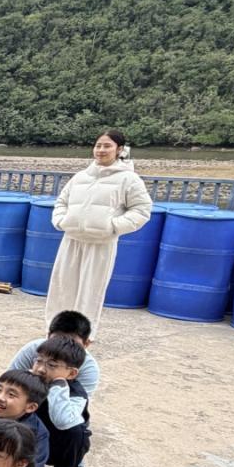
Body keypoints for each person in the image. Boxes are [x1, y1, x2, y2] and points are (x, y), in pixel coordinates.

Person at [45, 129, 153, 336]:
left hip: (101, 244)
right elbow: (61, 202)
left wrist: (112, 226)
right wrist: (61, 221)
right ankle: (54, 330)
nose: (101, 150)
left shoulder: (129, 179)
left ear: (119, 150)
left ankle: (83, 336)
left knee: (90, 291)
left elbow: (141, 210)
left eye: (107, 146)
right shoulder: (80, 177)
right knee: (61, 287)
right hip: (72, 239)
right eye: (98, 145)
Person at [30, 336, 92, 467]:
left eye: (51, 365)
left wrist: (57, 386)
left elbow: (62, 421)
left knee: (77, 431)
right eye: (39, 361)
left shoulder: (77, 394)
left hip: (58, 442)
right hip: (33, 438)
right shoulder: (31, 380)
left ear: (71, 373)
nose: (41, 369)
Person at [0, 310, 100, 400]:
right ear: (48, 336)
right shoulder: (33, 349)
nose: (62, 347)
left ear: (86, 344)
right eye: (39, 361)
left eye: (72, 344)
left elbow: (77, 408)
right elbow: (5, 384)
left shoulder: (88, 369)